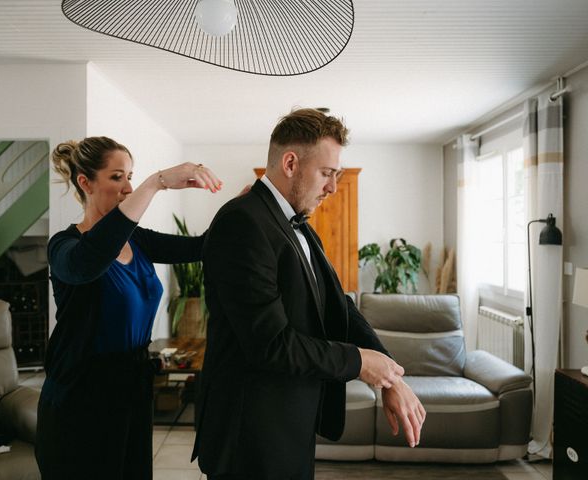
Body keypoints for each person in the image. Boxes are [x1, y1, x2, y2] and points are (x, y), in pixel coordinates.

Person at [192, 109, 426, 479]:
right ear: (290, 163)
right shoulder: (242, 222)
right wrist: (359, 362)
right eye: (327, 173)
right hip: (251, 436)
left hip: (290, 424)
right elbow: (271, 344)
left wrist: (391, 376)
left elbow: (339, 308)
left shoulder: (299, 224)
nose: (332, 187)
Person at [35, 136, 222, 479]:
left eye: (132, 177)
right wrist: (156, 183)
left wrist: (250, 204)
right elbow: (91, 261)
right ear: (85, 182)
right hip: (80, 400)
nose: (128, 187)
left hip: (131, 391)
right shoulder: (65, 247)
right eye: (117, 177)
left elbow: (203, 247)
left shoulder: (138, 240)